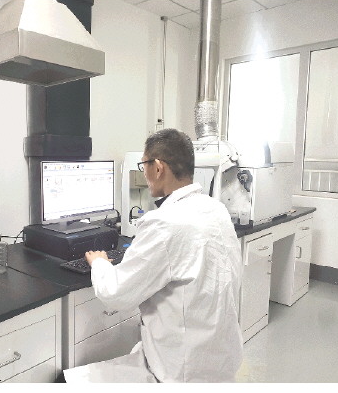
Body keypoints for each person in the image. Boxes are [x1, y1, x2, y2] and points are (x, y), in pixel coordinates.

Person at [63, 128, 243, 383]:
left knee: (68, 380)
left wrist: (100, 263)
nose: (144, 173)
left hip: (181, 372)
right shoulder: (216, 209)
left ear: (158, 168)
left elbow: (116, 293)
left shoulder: (164, 223)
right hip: (221, 363)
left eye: (143, 165)